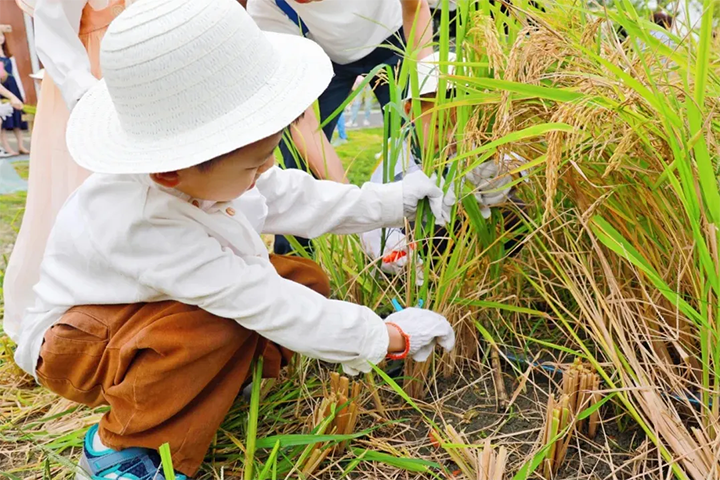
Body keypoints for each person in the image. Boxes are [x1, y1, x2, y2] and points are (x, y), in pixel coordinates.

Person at [12, 1, 456, 478]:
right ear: (168, 171)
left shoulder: (210, 174)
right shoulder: (140, 220)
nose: (265, 170)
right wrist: (386, 336)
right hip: (80, 343)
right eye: (254, 164)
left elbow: (297, 197)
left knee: (300, 279)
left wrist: (398, 201)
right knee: (215, 325)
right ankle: (119, 448)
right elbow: (260, 300)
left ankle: (217, 383)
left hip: (149, 311)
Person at [246, 0, 434, 255]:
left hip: (395, 37)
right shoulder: (265, 8)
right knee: (297, 159)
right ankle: (296, 261)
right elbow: (303, 122)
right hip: (327, 57)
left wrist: (427, 95)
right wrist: (363, 218)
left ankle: (425, 247)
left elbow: (415, 8)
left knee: (417, 143)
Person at [3, 0, 135, 343]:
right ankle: (95, 315)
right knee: (95, 192)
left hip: (140, 64)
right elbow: (54, 28)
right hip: (95, 79)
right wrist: (88, 99)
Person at [360, 52, 527, 276]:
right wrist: (399, 257)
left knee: (518, 210)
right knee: (432, 228)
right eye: (440, 126)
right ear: (410, 112)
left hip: (474, 234)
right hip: (422, 247)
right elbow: (373, 220)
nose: (452, 137)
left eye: (461, 127)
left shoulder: (476, 144)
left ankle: (500, 273)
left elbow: (520, 166)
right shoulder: (396, 156)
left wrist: (503, 176)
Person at [0, 32, 29, 156]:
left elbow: (15, 74)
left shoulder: (9, 57)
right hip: (4, 89)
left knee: (17, 118)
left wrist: (18, 95)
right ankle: (6, 148)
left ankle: (21, 146)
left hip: (12, 88)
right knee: (3, 121)